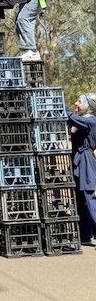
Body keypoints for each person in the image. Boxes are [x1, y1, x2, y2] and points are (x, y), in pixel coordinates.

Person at [67, 93, 96, 247]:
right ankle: (85, 234)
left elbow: (72, 118)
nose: (76, 103)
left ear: (89, 105)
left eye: (79, 101)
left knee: (89, 197)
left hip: (85, 160)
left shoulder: (91, 121)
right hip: (77, 160)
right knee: (80, 199)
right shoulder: (82, 121)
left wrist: (62, 107)